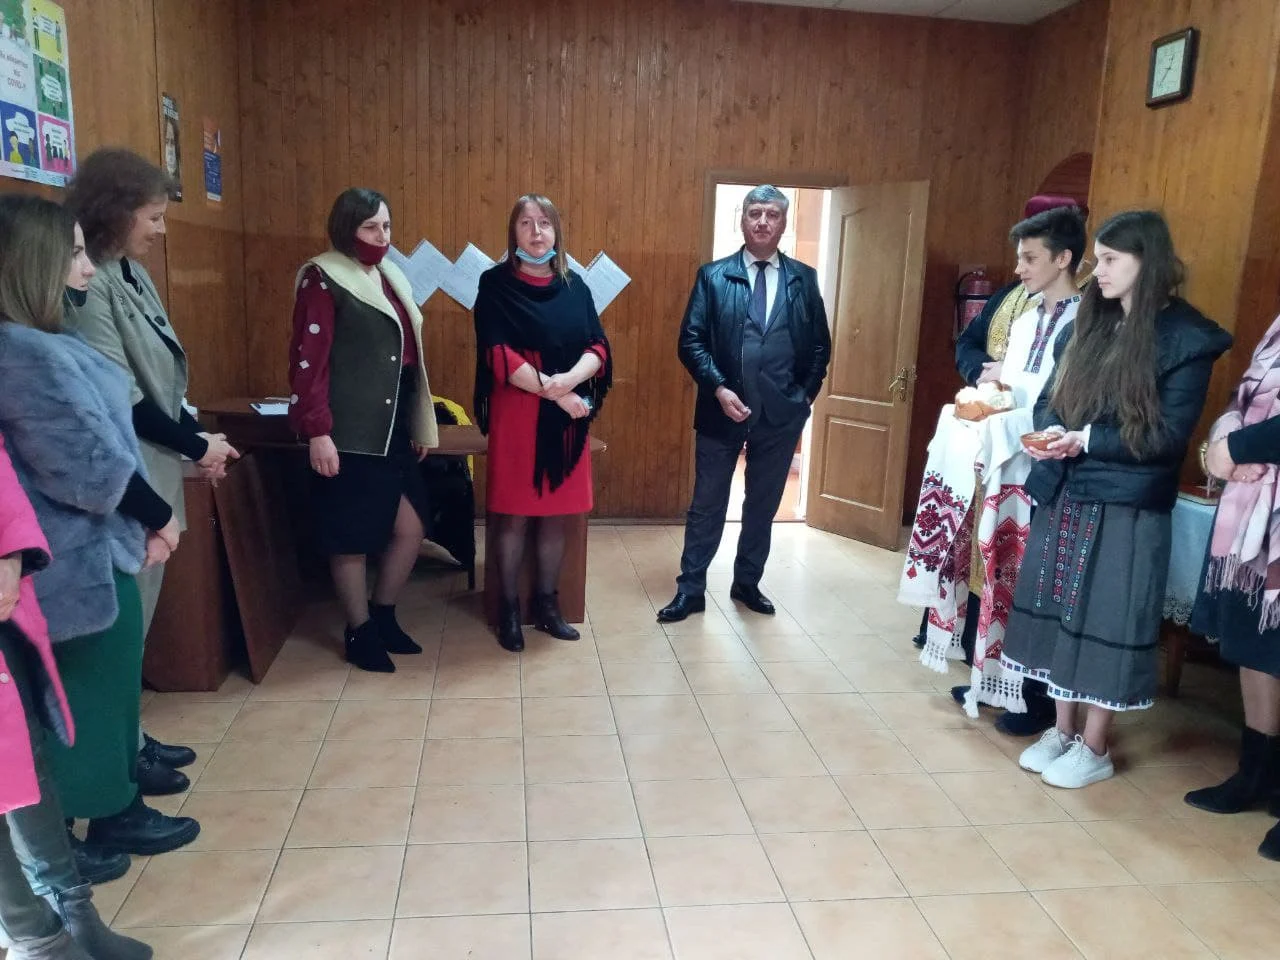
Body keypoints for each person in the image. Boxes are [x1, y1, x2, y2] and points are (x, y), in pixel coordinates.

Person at [0, 195, 187, 959]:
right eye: (72, 255)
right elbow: (83, 458)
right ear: (33, 265)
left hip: (89, 550)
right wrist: (155, 514)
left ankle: (79, 868)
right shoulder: (22, 352)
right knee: (71, 712)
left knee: (95, 700)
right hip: (69, 563)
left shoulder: (44, 339)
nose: (84, 269)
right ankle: (87, 839)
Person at [1004, 210, 1231, 789]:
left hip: (1127, 504)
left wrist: (1086, 439)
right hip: (1067, 490)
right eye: (1096, 259)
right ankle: (1062, 730)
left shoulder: (1186, 339)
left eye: (1109, 260)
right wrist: (1054, 429)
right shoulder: (1091, 320)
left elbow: (1165, 437)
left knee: (1106, 617)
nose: (1097, 271)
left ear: (1146, 261)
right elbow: (1052, 398)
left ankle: (1095, 745)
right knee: (1059, 611)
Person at [64, 148, 235, 796]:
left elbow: (165, 378)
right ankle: (117, 761)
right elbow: (121, 397)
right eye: (154, 216)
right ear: (115, 211)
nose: (162, 229)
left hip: (158, 463)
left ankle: (130, 737)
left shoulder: (130, 272)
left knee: (141, 617)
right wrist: (196, 445)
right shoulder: (89, 285)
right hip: (126, 475)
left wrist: (195, 439)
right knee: (119, 627)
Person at [900, 205, 1086, 737]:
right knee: (995, 571)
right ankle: (992, 677)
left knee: (1031, 582)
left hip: (1048, 469)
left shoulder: (1084, 322)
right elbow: (1013, 388)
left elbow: (1064, 402)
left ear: (1063, 258)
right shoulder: (1025, 318)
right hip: (1004, 462)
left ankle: (1036, 697)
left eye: (1030, 258)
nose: (1020, 268)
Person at [658, 185, 830, 624]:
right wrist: (718, 387)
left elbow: (819, 348)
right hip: (721, 411)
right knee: (707, 504)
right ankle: (690, 590)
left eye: (772, 214)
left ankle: (747, 583)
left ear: (783, 222)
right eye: (755, 213)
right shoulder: (713, 277)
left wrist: (803, 397)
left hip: (781, 416)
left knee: (762, 505)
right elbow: (690, 340)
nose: (763, 221)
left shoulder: (803, 279)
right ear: (743, 219)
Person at [287, 188, 438, 672]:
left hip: (394, 427)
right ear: (346, 228)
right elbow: (309, 362)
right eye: (370, 227)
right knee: (350, 535)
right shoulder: (323, 277)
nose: (381, 236)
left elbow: (407, 360)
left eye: (387, 226)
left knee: (411, 527)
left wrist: (418, 423)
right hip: (348, 430)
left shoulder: (389, 274)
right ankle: (359, 630)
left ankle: (383, 614)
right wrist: (318, 431)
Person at [473, 194, 612, 653]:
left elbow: (598, 347)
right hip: (518, 411)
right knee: (513, 516)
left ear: (557, 231)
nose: (537, 232)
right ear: (513, 232)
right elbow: (497, 352)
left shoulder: (575, 286)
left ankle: (548, 607)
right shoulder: (495, 284)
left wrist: (568, 382)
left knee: (555, 517)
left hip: (566, 418)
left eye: (545, 223)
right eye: (526, 223)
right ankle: (509, 610)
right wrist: (556, 392)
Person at [1183, 314, 1280, 859]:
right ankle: (1256, 772)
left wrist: (1237, 447)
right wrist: (1223, 434)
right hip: (1256, 511)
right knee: (1255, 642)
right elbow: (1245, 393)